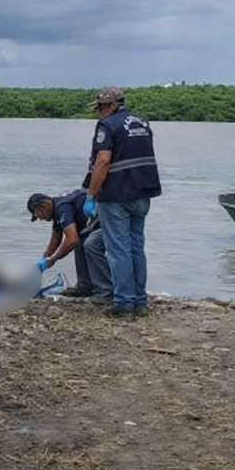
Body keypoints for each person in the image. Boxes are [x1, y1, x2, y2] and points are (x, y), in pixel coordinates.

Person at [84, 86, 161, 317]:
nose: (98, 113)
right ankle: (140, 301)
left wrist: (91, 195)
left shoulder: (108, 126)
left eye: (99, 108)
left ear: (110, 106)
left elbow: (103, 161)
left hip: (116, 195)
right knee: (136, 248)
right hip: (143, 194)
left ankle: (124, 302)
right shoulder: (142, 123)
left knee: (118, 250)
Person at [27, 189, 111, 302]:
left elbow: (72, 239)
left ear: (42, 207)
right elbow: (56, 237)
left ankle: (106, 291)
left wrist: (54, 258)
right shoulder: (57, 208)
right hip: (92, 224)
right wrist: (45, 257)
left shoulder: (62, 207)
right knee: (80, 244)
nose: (41, 219)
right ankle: (85, 287)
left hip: (105, 221)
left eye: (39, 216)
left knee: (88, 244)